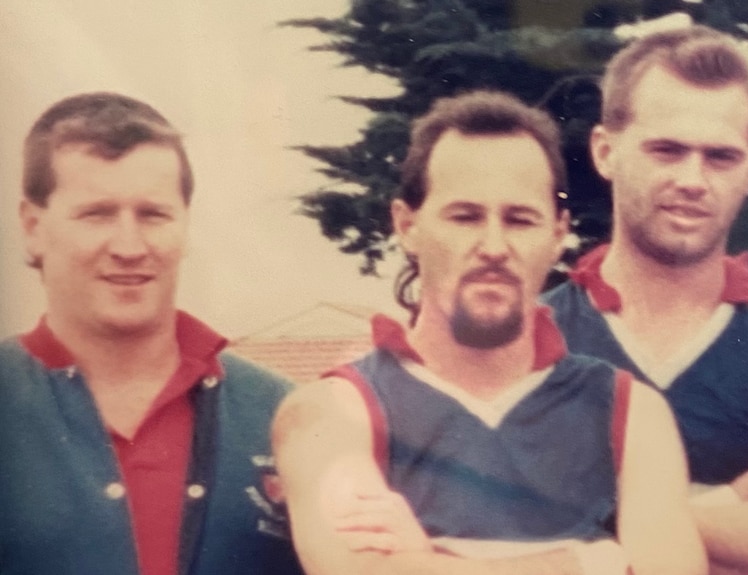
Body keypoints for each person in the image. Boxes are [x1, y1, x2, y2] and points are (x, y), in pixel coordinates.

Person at [272, 90, 707, 575]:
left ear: (558, 233)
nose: (494, 246)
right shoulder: (332, 410)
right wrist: (593, 558)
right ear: (407, 225)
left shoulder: (629, 411)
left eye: (520, 220)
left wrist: (430, 562)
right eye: (465, 217)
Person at [542, 25, 748, 575]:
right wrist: (734, 503)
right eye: (666, 150)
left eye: (720, 157)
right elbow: (488, 532)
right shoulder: (530, 336)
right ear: (605, 150)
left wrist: (574, 529)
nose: (692, 179)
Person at [0, 93, 302, 575]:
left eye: (153, 215)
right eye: (97, 214)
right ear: (33, 227)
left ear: (185, 224)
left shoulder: (285, 415)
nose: (129, 246)